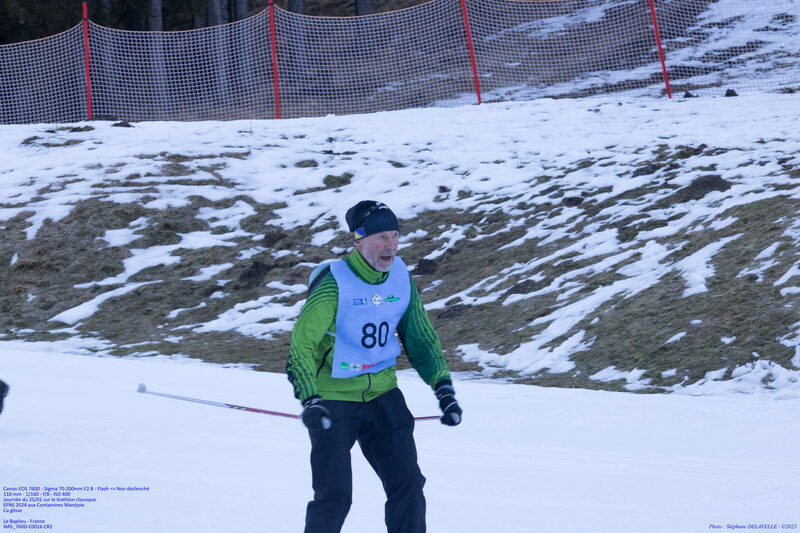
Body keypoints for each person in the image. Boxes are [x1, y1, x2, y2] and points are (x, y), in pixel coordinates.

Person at [287, 200, 462, 533]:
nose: (390, 246)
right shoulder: (333, 283)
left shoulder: (400, 278)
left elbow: (421, 339)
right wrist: (310, 398)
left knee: (408, 485)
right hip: (334, 398)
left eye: (395, 236)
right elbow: (302, 345)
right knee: (334, 496)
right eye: (381, 237)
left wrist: (444, 389)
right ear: (358, 240)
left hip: (383, 394)